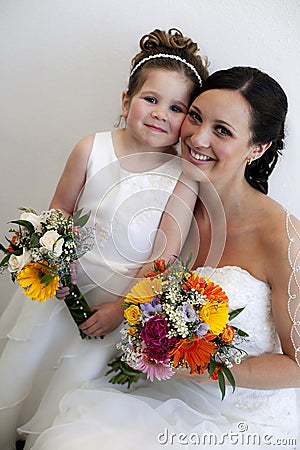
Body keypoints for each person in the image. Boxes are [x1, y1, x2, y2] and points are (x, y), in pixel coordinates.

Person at [30, 66, 300, 450]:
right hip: (161, 393)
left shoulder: (283, 237)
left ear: (258, 149)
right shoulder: (167, 202)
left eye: (222, 131)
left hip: (241, 417)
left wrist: (209, 368)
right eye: (195, 117)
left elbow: (298, 366)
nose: (197, 137)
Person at [0, 28, 209, 450]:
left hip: (114, 306)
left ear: (188, 119)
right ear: (126, 101)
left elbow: (161, 260)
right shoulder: (90, 148)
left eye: (177, 107)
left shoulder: (181, 180)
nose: (160, 114)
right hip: (60, 290)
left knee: (71, 383)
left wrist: (120, 309)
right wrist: (50, 263)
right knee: (23, 367)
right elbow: (59, 208)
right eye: (151, 99)